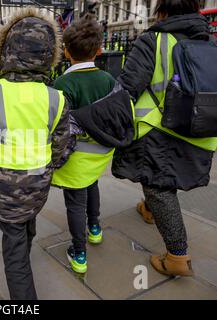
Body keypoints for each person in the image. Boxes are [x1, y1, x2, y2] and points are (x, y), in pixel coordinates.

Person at [0, 9, 72, 300]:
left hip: (3, 191)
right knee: (26, 224)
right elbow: (60, 148)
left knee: (15, 255)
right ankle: (25, 241)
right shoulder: (55, 98)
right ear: (49, 55)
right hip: (36, 188)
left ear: (6, 51)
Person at [113, 0, 217, 276]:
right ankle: (148, 211)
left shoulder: (153, 41)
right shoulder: (211, 44)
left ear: (162, 11)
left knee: (159, 188)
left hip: (159, 130)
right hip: (202, 131)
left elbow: (127, 90)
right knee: (159, 178)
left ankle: (177, 256)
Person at [52, 15, 116, 274]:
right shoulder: (108, 80)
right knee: (93, 183)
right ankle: (95, 229)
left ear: (66, 52)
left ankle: (79, 254)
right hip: (100, 152)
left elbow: (59, 124)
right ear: (99, 50)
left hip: (76, 155)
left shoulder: (62, 84)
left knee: (74, 202)